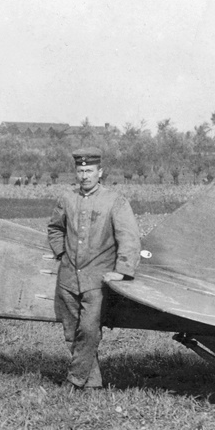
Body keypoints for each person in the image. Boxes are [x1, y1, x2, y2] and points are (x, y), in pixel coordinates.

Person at [46, 146, 141, 389]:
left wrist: (122, 271)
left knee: (89, 331)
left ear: (101, 172)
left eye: (89, 170)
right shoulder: (67, 198)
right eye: (80, 170)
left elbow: (129, 238)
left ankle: (75, 379)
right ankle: (94, 383)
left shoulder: (115, 201)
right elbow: (55, 228)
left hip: (97, 280)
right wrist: (61, 253)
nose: (84, 175)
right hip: (68, 278)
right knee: (72, 332)